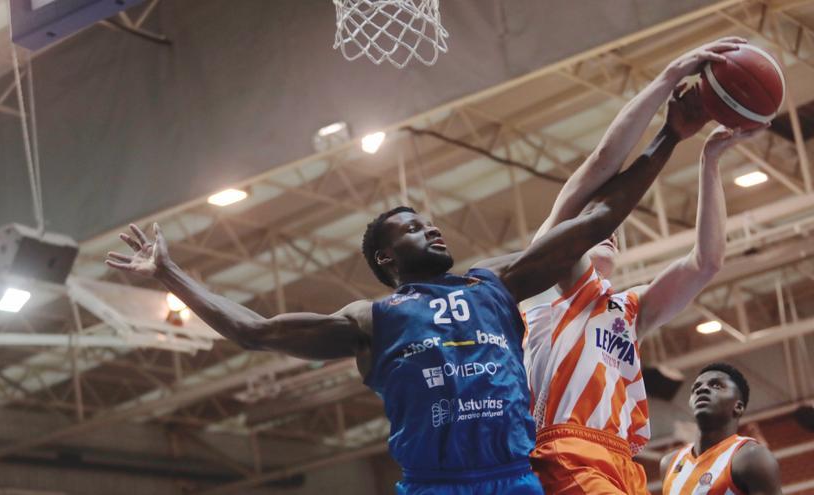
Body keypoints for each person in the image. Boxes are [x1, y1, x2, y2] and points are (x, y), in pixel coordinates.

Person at [103, 42, 722, 494]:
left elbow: (592, 219)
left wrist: (670, 135)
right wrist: (169, 273)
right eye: (410, 225)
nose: (430, 226)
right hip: (434, 485)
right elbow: (256, 332)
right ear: (385, 256)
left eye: (428, 220)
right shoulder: (372, 320)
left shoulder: (495, 283)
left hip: (513, 480)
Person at [522, 38, 759, 494]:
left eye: (615, 230)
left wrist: (709, 160)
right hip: (565, 452)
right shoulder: (554, 279)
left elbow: (706, 262)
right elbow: (599, 164)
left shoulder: (626, 311)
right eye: (598, 222)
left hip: (621, 462)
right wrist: (669, 77)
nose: (610, 230)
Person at [660, 363, 782, 495]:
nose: (702, 389)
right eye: (696, 387)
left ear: (738, 407)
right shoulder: (669, 463)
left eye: (716, 386)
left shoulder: (752, 458)